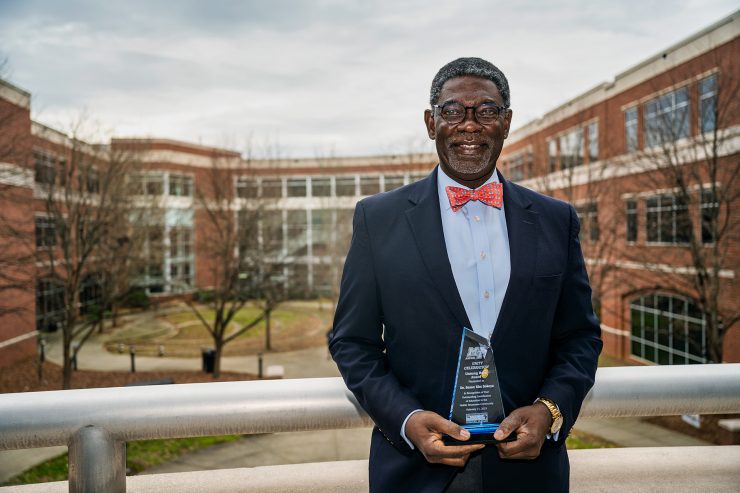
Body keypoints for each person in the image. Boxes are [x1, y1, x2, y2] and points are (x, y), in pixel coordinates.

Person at [330, 57, 602, 493]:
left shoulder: (557, 220)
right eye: (453, 111)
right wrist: (406, 419)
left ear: (506, 122)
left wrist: (550, 410)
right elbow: (352, 342)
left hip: (529, 474)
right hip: (415, 473)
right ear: (431, 122)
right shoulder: (377, 219)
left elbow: (580, 337)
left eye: (487, 111)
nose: (470, 125)